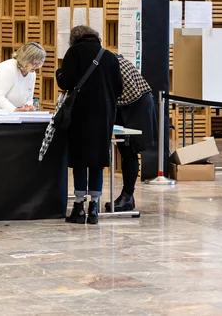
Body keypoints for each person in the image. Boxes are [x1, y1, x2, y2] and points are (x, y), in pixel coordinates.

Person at [56, 26, 122, 224]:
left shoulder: (74, 53)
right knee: (97, 160)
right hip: (104, 114)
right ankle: (94, 207)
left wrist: (60, 74)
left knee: (79, 159)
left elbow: (66, 82)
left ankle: (78, 207)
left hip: (80, 113)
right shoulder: (110, 57)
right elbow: (119, 89)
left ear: (74, 38)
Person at [107, 54, 156, 212]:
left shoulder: (110, 63)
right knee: (125, 150)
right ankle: (127, 196)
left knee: (130, 150)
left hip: (136, 105)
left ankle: (127, 196)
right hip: (129, 105)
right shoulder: (108, 60)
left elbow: (129, 93)